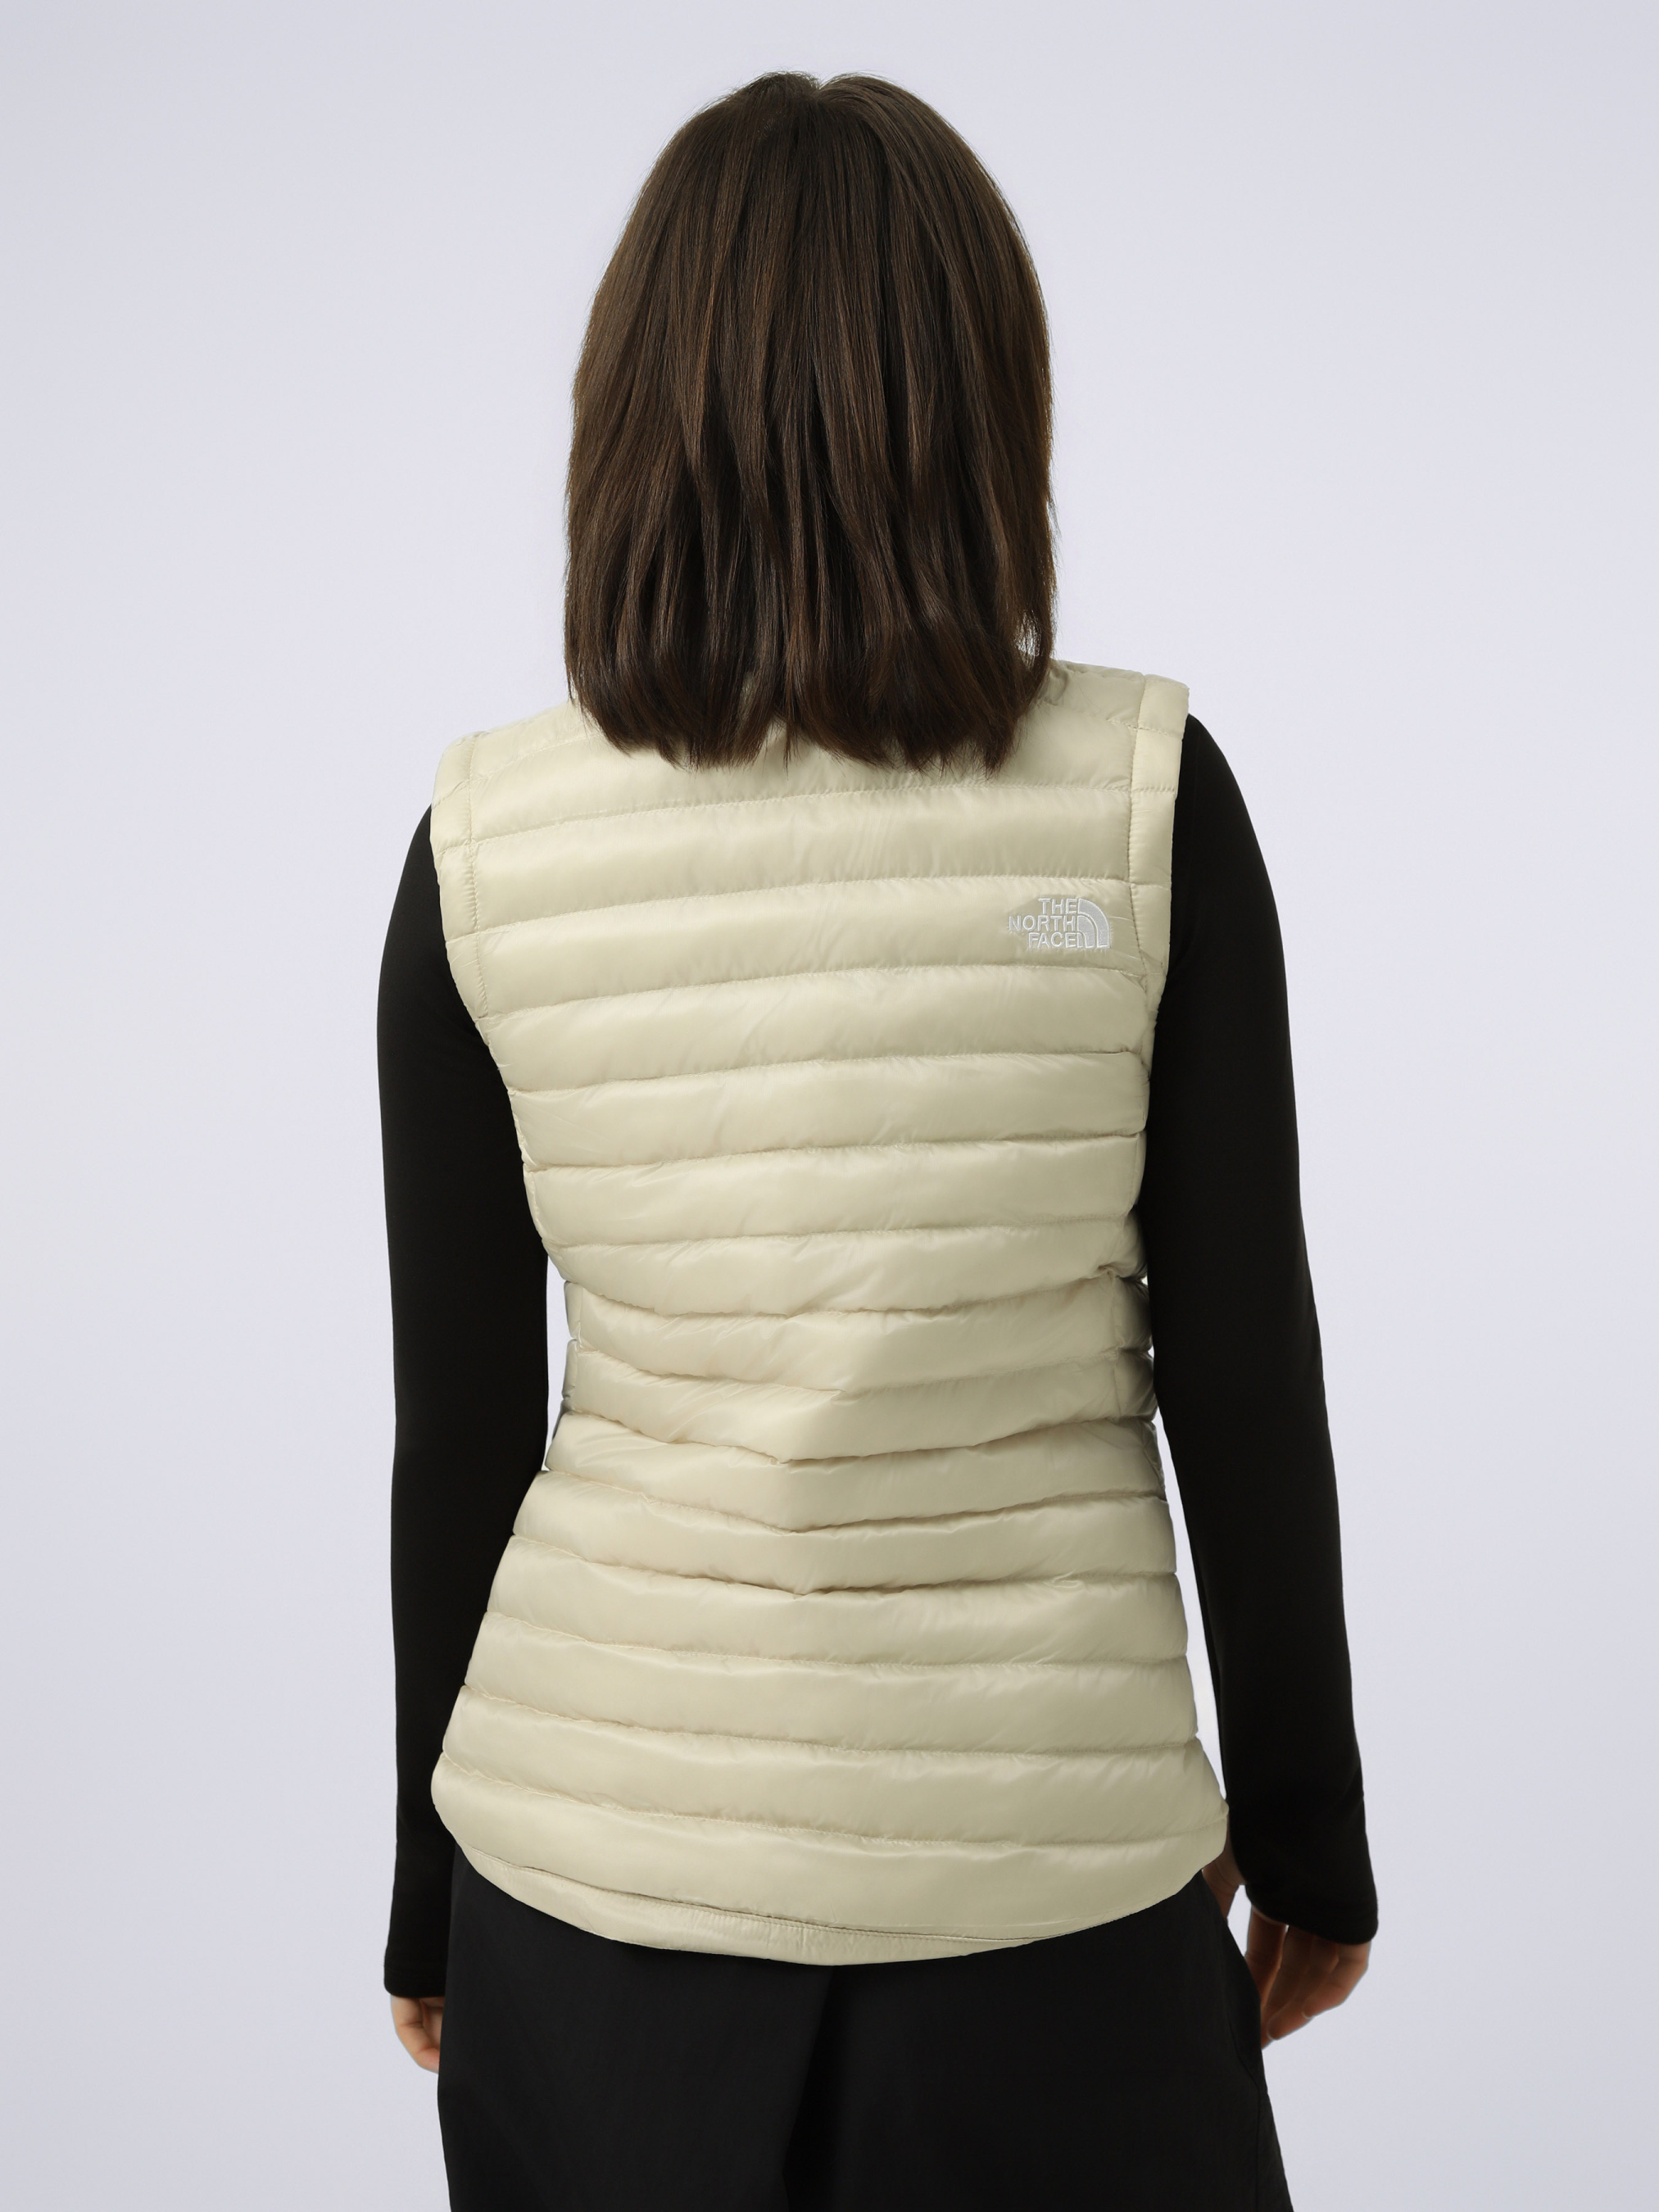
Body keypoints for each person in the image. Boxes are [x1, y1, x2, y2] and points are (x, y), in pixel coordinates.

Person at [377, 70, 1376, 2211]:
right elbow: (1244, 1375)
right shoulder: (1142, 801)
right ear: (981, 402)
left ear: (630, 418)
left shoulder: (484, 842)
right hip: (1048, 1922)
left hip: (590, 1912)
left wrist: (423, 1898)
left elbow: (459, 1437)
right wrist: (1312, 1842)